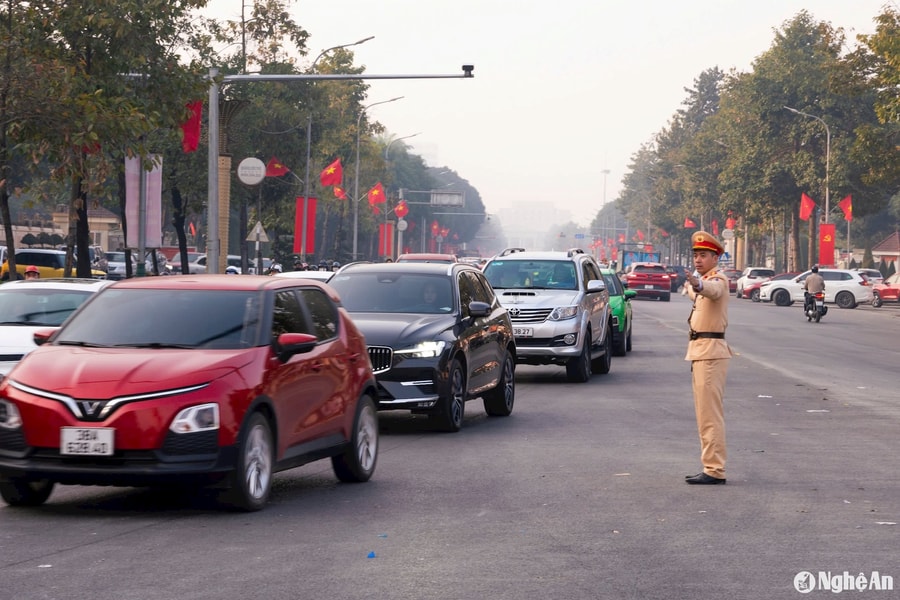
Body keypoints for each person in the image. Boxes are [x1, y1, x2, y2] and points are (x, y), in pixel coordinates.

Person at [684, 230, 733, 485]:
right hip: (702, 352)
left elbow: (711, 291)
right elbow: (697, 293)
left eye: (703, 255)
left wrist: (698, 284)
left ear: (715, 258)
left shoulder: (718, 280)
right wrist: (692, 286)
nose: (698, 260)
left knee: (710, 415)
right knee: (704, 414)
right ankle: (710, 465)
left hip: (711, 353)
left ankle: (714, 469)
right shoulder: (702, 280)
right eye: (696, 255)